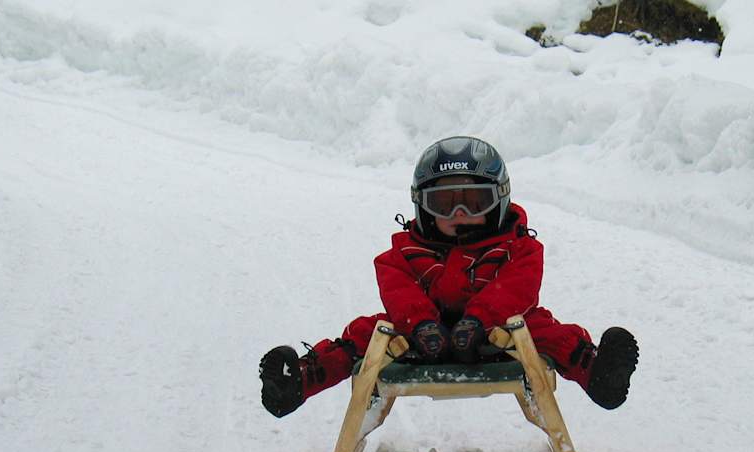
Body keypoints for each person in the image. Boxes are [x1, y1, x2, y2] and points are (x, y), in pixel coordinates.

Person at [259, 135, 638, 418]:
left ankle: (599, 374)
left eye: (473, 203)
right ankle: (299, 380)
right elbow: (398, 288)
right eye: (444, 204)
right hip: (422, 336)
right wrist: (421, 322)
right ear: (422, 206)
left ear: (498, 201)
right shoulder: (406, 250)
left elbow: (518, 287)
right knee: (364, 332)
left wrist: (481, 319)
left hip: (500, 333)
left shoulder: (517, 247)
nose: (458, 212)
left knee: (548, 331)